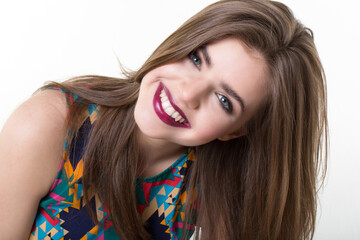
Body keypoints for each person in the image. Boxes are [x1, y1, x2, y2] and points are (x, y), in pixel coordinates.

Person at [0, 0, 328, 239]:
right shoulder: (49, 126)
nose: (186, 94)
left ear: (237, 131)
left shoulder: (219, 183)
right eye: (196, 59)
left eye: (223, 100)